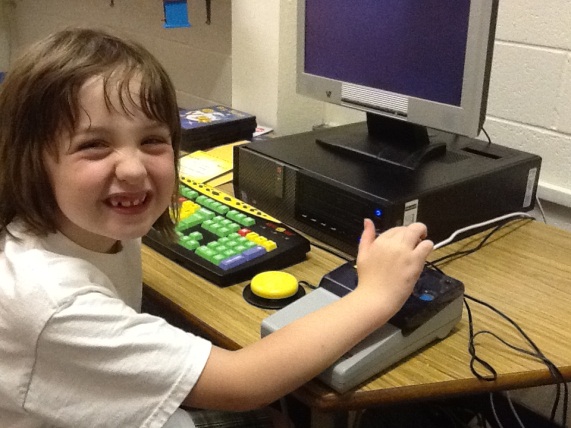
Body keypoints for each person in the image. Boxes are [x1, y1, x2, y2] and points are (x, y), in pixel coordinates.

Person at [0, 28, 433, 428]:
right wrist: (376, 294)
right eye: (94, 145)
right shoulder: (51, 302)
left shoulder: (82, 224)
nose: (133, 169)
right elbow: (243, 383)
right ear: (30, 162)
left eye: (153, 140)